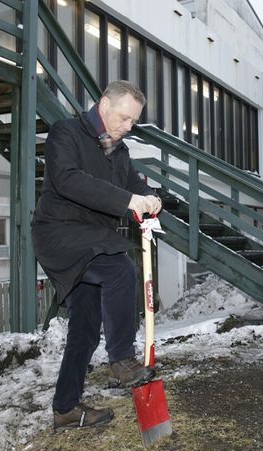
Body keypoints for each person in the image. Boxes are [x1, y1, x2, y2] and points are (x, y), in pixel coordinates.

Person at [31, 80, 163, 432]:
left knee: (86, 329)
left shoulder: (118, 152)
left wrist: (151, 197)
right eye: (124, 118)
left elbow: (134, 185)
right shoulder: (66, 133)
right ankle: (121, 361)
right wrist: (126, 202)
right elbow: (68, 179)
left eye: (133, 122)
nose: (127, 127)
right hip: (60, 234)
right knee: (120, 268)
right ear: (104, 104)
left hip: (92, 240)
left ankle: (66, 409)